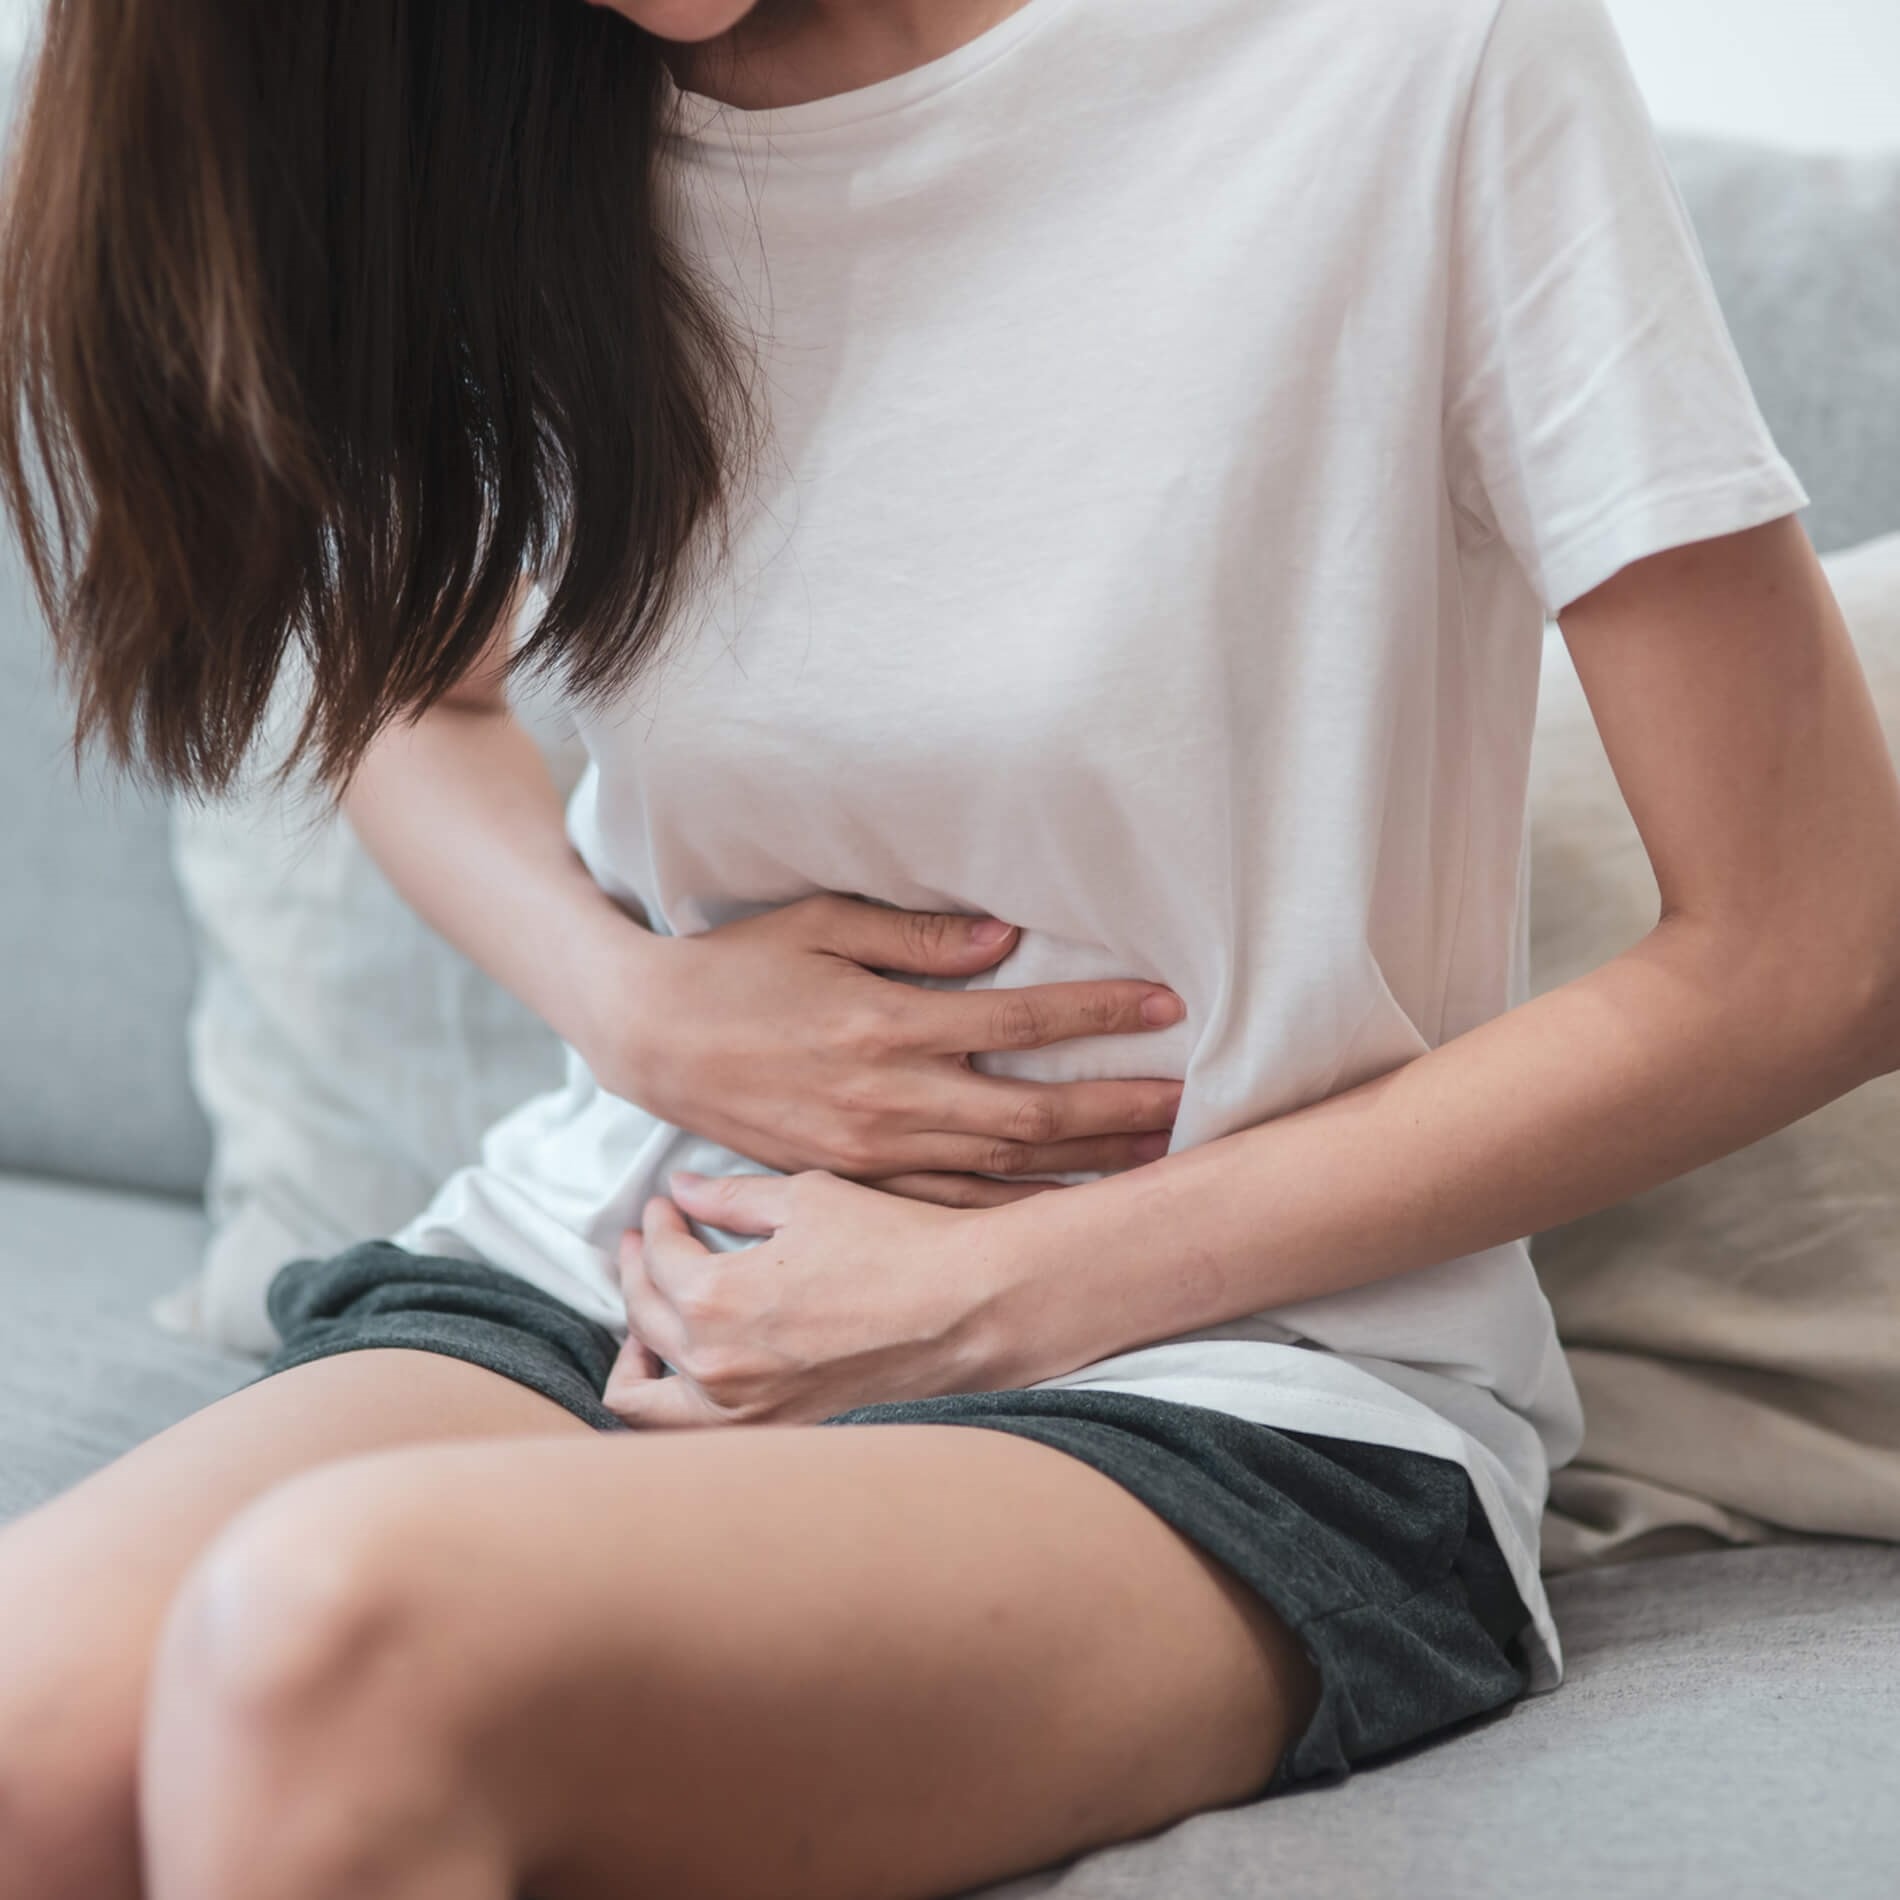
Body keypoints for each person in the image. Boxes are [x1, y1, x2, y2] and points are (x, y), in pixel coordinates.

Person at [1, 0, 1897, 1894]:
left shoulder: (1421, 61)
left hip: (1232, 1381)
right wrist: (632, 1002)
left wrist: (1001, 1292)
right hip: (635, 1269)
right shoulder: (512, 100)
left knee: (323, 1648)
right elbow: (401, 673)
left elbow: (1819, 945)